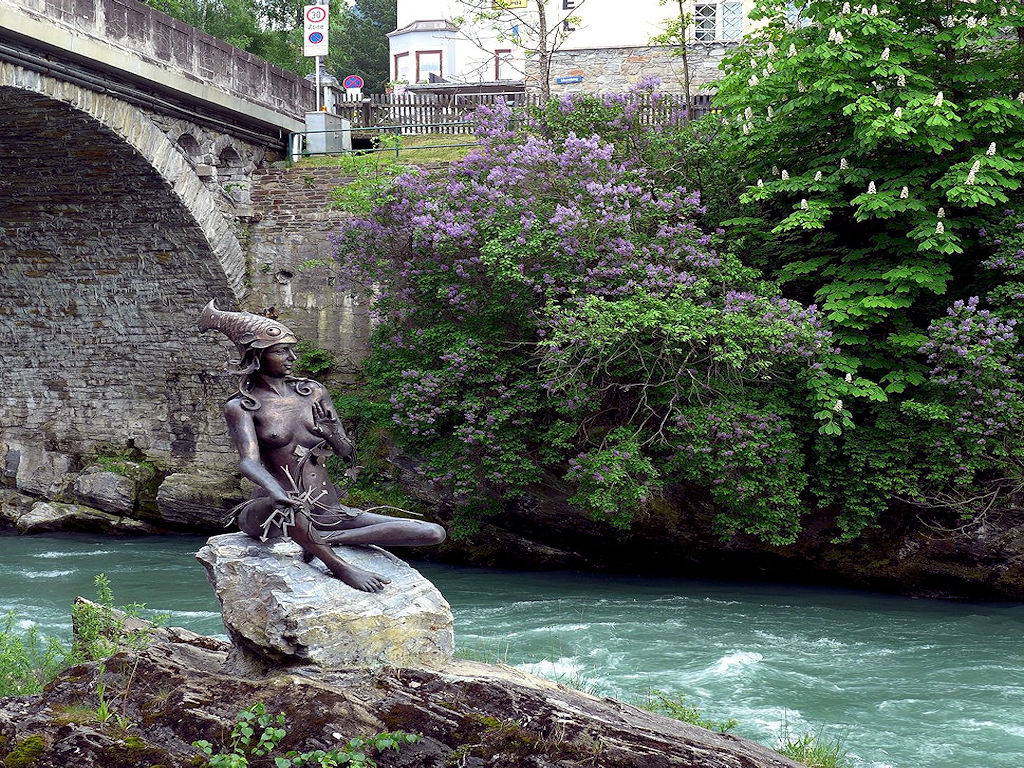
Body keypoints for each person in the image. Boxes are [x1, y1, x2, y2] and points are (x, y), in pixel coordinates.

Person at [198, 301, 445, 592]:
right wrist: (277, 492)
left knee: (432, 532)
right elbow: (248, 462)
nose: (292, 357)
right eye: (281, 351)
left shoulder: (313, 392)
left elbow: (346, 454)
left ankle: (327, 540)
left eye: (292, 349)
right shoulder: (242, 406)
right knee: (291, 510)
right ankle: (339, 566)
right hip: (270, 508)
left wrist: (333, 435)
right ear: (257, 356)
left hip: (325, 509)